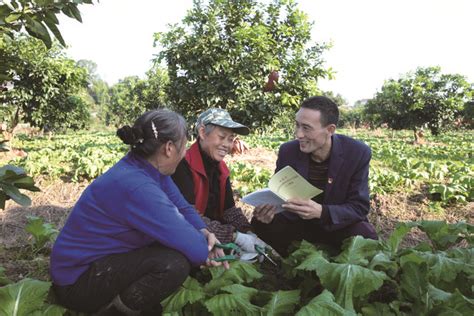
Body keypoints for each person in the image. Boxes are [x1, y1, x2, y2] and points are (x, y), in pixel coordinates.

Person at [50, 109, 228, 316]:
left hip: (97, 263)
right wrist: (204, 248)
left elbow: (182, 206)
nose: (184, 153)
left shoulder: (147, 168)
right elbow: (196, 251)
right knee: (173, 264)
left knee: (171, 248)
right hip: (77, 282)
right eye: (184, 146)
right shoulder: (138, 187)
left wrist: (203, 230)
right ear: (169, 148)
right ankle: (110, 312)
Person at [252, 96, 378, 256]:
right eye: (297, 125)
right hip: (298, 224)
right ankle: (293, 263)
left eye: (306, 128)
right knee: (260, 222)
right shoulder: (288, 151)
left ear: (330, 130)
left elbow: (359, 207)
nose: (298, 134)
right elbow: (280, 196)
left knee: (365, 233)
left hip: (335, 225)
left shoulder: (357, 153)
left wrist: (322, 212)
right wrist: (269, 212)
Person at [172, 108, 267, 253]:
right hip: (190, 235)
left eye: (230, 139)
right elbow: (187, 217)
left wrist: (248, 232)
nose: (227, 145)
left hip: (214, 232)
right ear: (203, 132)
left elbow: (229, 209)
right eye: (221, 137)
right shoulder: (182, 165)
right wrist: (235, 237)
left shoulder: (221, 168)